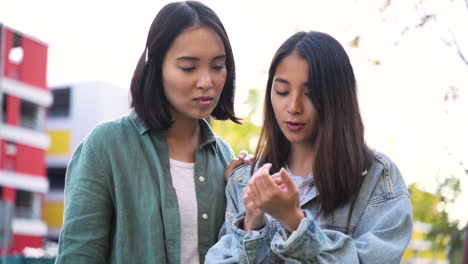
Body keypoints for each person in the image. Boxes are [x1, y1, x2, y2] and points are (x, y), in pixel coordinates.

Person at [55, 1, 251, 263]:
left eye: (217, 66)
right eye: (188, 67)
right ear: (156, 67)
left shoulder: (225, 158)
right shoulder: (105, 146)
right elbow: (78, 255)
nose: (207, 82)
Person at [205, 31, 413, 263]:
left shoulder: (376, 177)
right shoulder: (245, 180)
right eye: (282, 91)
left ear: (337, 97)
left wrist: (294, 221)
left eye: (310, 94)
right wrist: (252, 225)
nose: (293, 106)